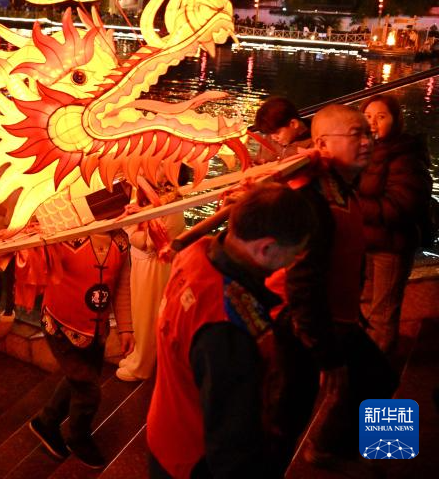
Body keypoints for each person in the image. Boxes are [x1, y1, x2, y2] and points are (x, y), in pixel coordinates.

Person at [147, 184, 317, 479]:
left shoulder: (195, 253)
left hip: (166, 430)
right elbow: (232, 444)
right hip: (194, 459)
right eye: (294, 255)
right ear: (266, 248)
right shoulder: (228, 328)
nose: (292, 264)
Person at [268, 104, 398, 475]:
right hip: (299, 324)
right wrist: (327, 354)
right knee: (285, 418)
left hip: (334, 319)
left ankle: (347, 449)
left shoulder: (339, 187)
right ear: (322, 144)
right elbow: (302, 283)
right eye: (357, 134)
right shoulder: (312, 198)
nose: (367, 141)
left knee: (379, 377)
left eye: (368, 134)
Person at [28, 232, 133, 469]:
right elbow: (39, 261)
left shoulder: (120, 241)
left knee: (80, 378)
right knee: (87, 388)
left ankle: (47, 421)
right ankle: (79, 437)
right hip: (61, 327)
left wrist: (126, 328)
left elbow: (121, 286)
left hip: (95, 330)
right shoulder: (65, 235)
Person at [358, 95, 432, 355]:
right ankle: (365, 361)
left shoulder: (406, 156)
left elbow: (401, 206)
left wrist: (353, 205)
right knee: (364, 305)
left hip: (391, 247)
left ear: (395, 120)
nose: (373, 123)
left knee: (382, 313)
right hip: (366, 242)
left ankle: (379, 367)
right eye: (368, 116)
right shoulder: (364, 152)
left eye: (381, 117)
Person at [118, 174, 188, 382]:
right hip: (140, 263)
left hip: (155, 265)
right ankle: (138, 355)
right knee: (139, 311)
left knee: (149, 314)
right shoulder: (141, 192)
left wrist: (131, 228)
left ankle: (143, 366)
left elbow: (150, 243)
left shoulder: (172, 203)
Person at [252, 96, 311, 164]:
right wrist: (256, 163)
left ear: (293, 123)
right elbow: (258, 159)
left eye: (277, 133)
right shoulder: (269, 137)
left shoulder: (313, 143)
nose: (273, 138)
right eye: (269, 133)